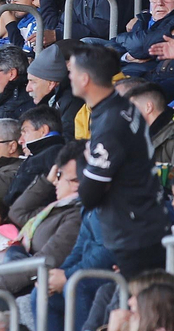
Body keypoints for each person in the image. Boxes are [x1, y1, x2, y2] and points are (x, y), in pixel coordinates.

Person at [70, 45, 166, 276]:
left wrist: (85, 162)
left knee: (146, 303)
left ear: (85, 79)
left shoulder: (110, 124)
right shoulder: (119, 106)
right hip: (144, 219)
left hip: (133, 232)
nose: (69, 77)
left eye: (71, 72)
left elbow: (88, 194)